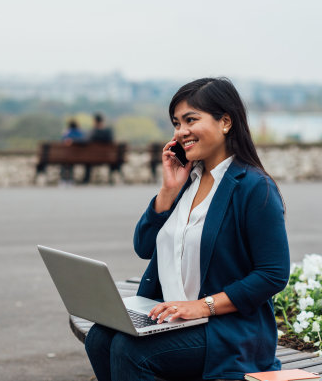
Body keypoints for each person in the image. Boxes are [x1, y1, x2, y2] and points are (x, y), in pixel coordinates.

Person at [84, 78, 290, 381]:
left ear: (225, 122)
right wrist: (167, 190)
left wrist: (202, 306)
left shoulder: (254, 187)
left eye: (191, 120)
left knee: (131, 351)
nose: (181, 131)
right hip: (174, 319)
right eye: (176, 123)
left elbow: (273, 274)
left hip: (226, 329)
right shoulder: (186, 180)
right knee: (100, 338)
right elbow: (143, 246)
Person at [83, 113, 114, 183]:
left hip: (91, 158)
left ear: (94, 121)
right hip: (107, 157)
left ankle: (86, 179)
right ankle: (110, 179)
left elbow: (86, 141)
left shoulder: (92, 132)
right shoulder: (108, 132)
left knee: (87, 160)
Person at [60, 119, 85, 185]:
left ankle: (63, 180)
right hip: (78, 157)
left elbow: (62, 141)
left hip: (66, 157)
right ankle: (71, 179)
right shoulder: (80, 133)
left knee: (65, 162)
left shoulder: (67, 133)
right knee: (71, 162)